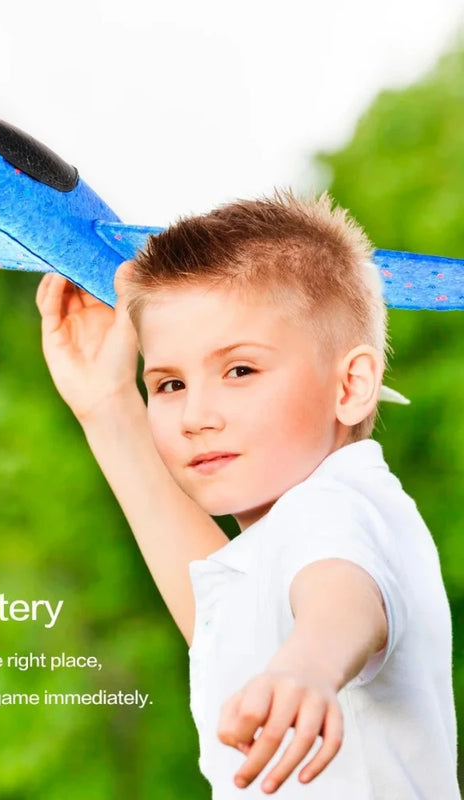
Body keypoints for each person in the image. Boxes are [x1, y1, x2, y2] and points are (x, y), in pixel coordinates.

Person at [35, 192, 459, 798]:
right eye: (170, 383)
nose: (196, 415)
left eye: (239, 370)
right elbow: (219, 620)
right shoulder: (282, 540)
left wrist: (306, 667)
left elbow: (343, 595)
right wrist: (107, 406)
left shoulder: (337, 506)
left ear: (351, 385)